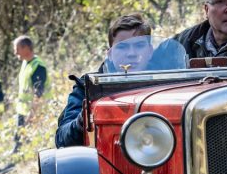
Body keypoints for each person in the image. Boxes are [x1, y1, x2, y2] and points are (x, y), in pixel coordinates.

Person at [55, 13, 153, 148]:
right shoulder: (89, 86)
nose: (132, 53)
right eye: (122, 47)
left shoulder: (171, 82)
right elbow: (62, 139)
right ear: (110, 54)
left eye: (139, 46)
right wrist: (82, 121)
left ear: (150, 51)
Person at [12, 35, 47, 152]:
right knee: (19, 138)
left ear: (26, 48)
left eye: (17, 48)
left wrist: (33, 113)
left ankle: (19, 161)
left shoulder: (38, 66)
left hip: (33, 110)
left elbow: (39, 93)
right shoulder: (25, 63)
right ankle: (14, 160)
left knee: (29, 141)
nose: (15, 51)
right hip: (22, 109)